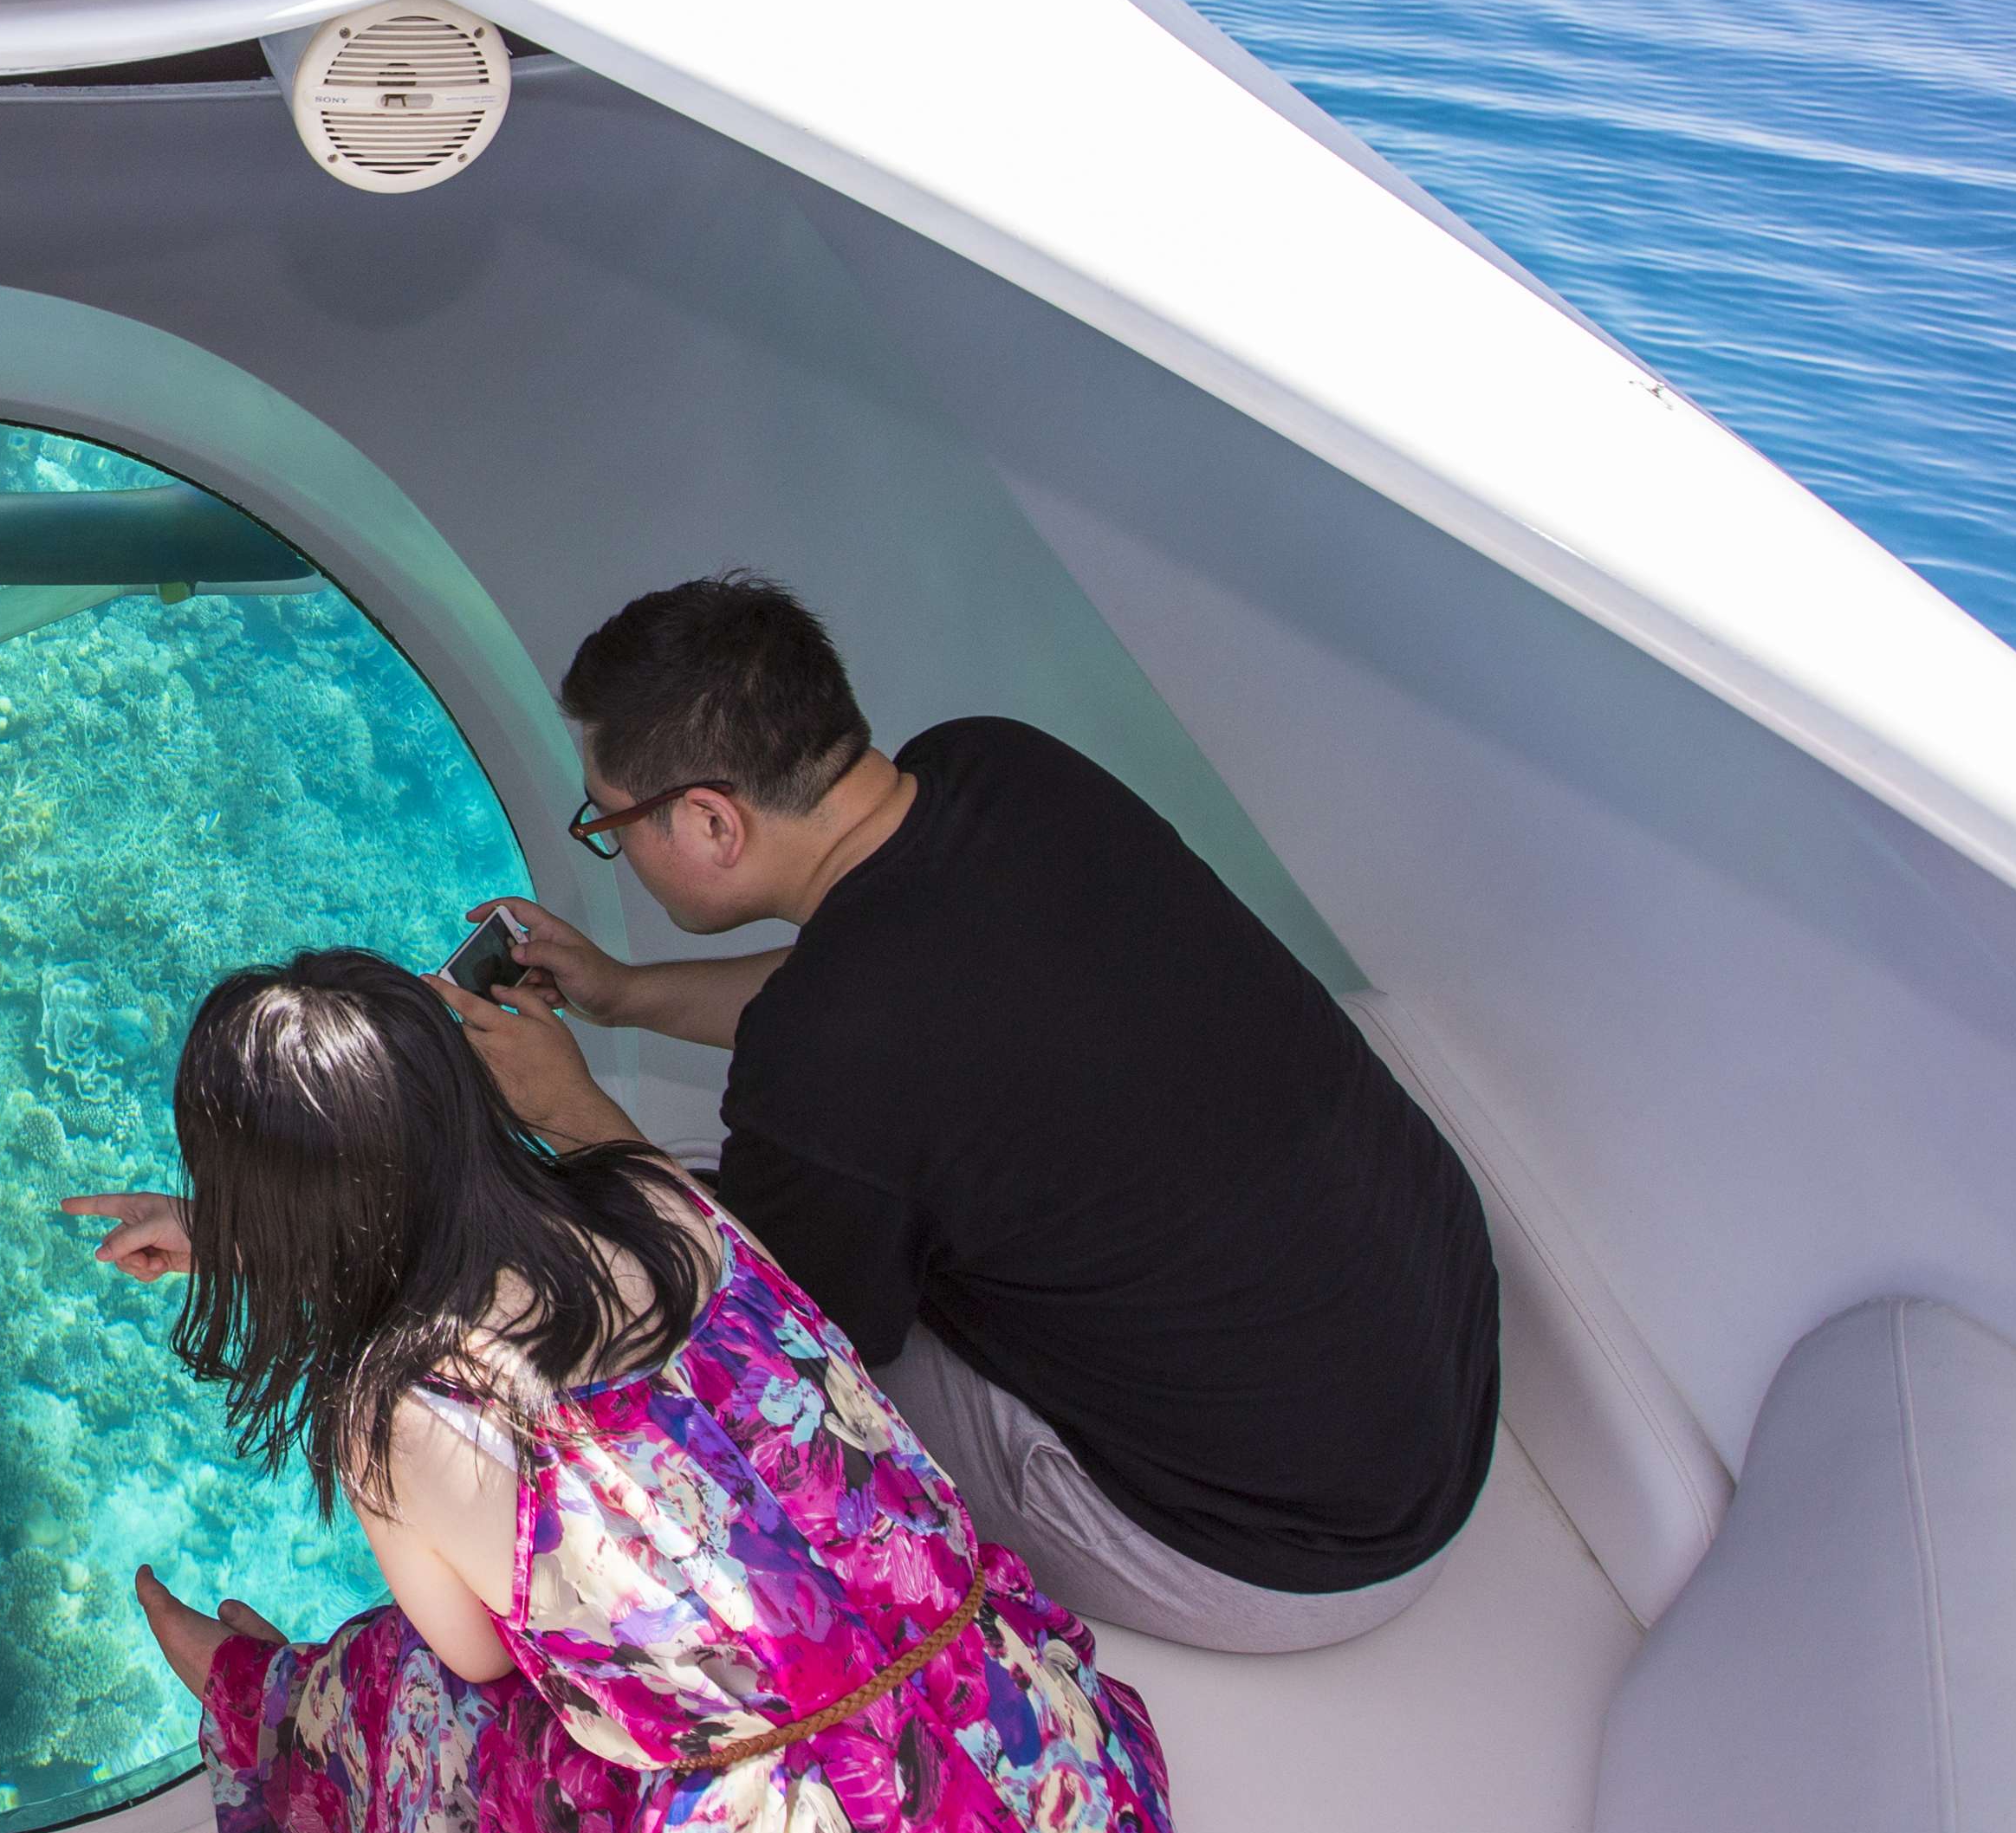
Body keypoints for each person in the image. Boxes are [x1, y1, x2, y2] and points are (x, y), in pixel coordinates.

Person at [98, 953, 1194, 1833]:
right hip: (1038, 1781)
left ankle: (253, 1698)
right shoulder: (652, 1194)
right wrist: (243, 1238)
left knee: (408, 1685)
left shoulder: (407, 1409)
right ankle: (266, 1687)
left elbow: (477, 1657)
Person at [468, 572, 1497, 1653]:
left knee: (666, 1296)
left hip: (1285, 1543)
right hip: (1433, 1356)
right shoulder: (1001, 765)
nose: (612, 842)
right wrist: (625, 992)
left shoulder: (830, 1053)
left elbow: (779, 1348)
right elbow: (856, 986)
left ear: (710, 820)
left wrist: (573, 1112)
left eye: (611, 822)